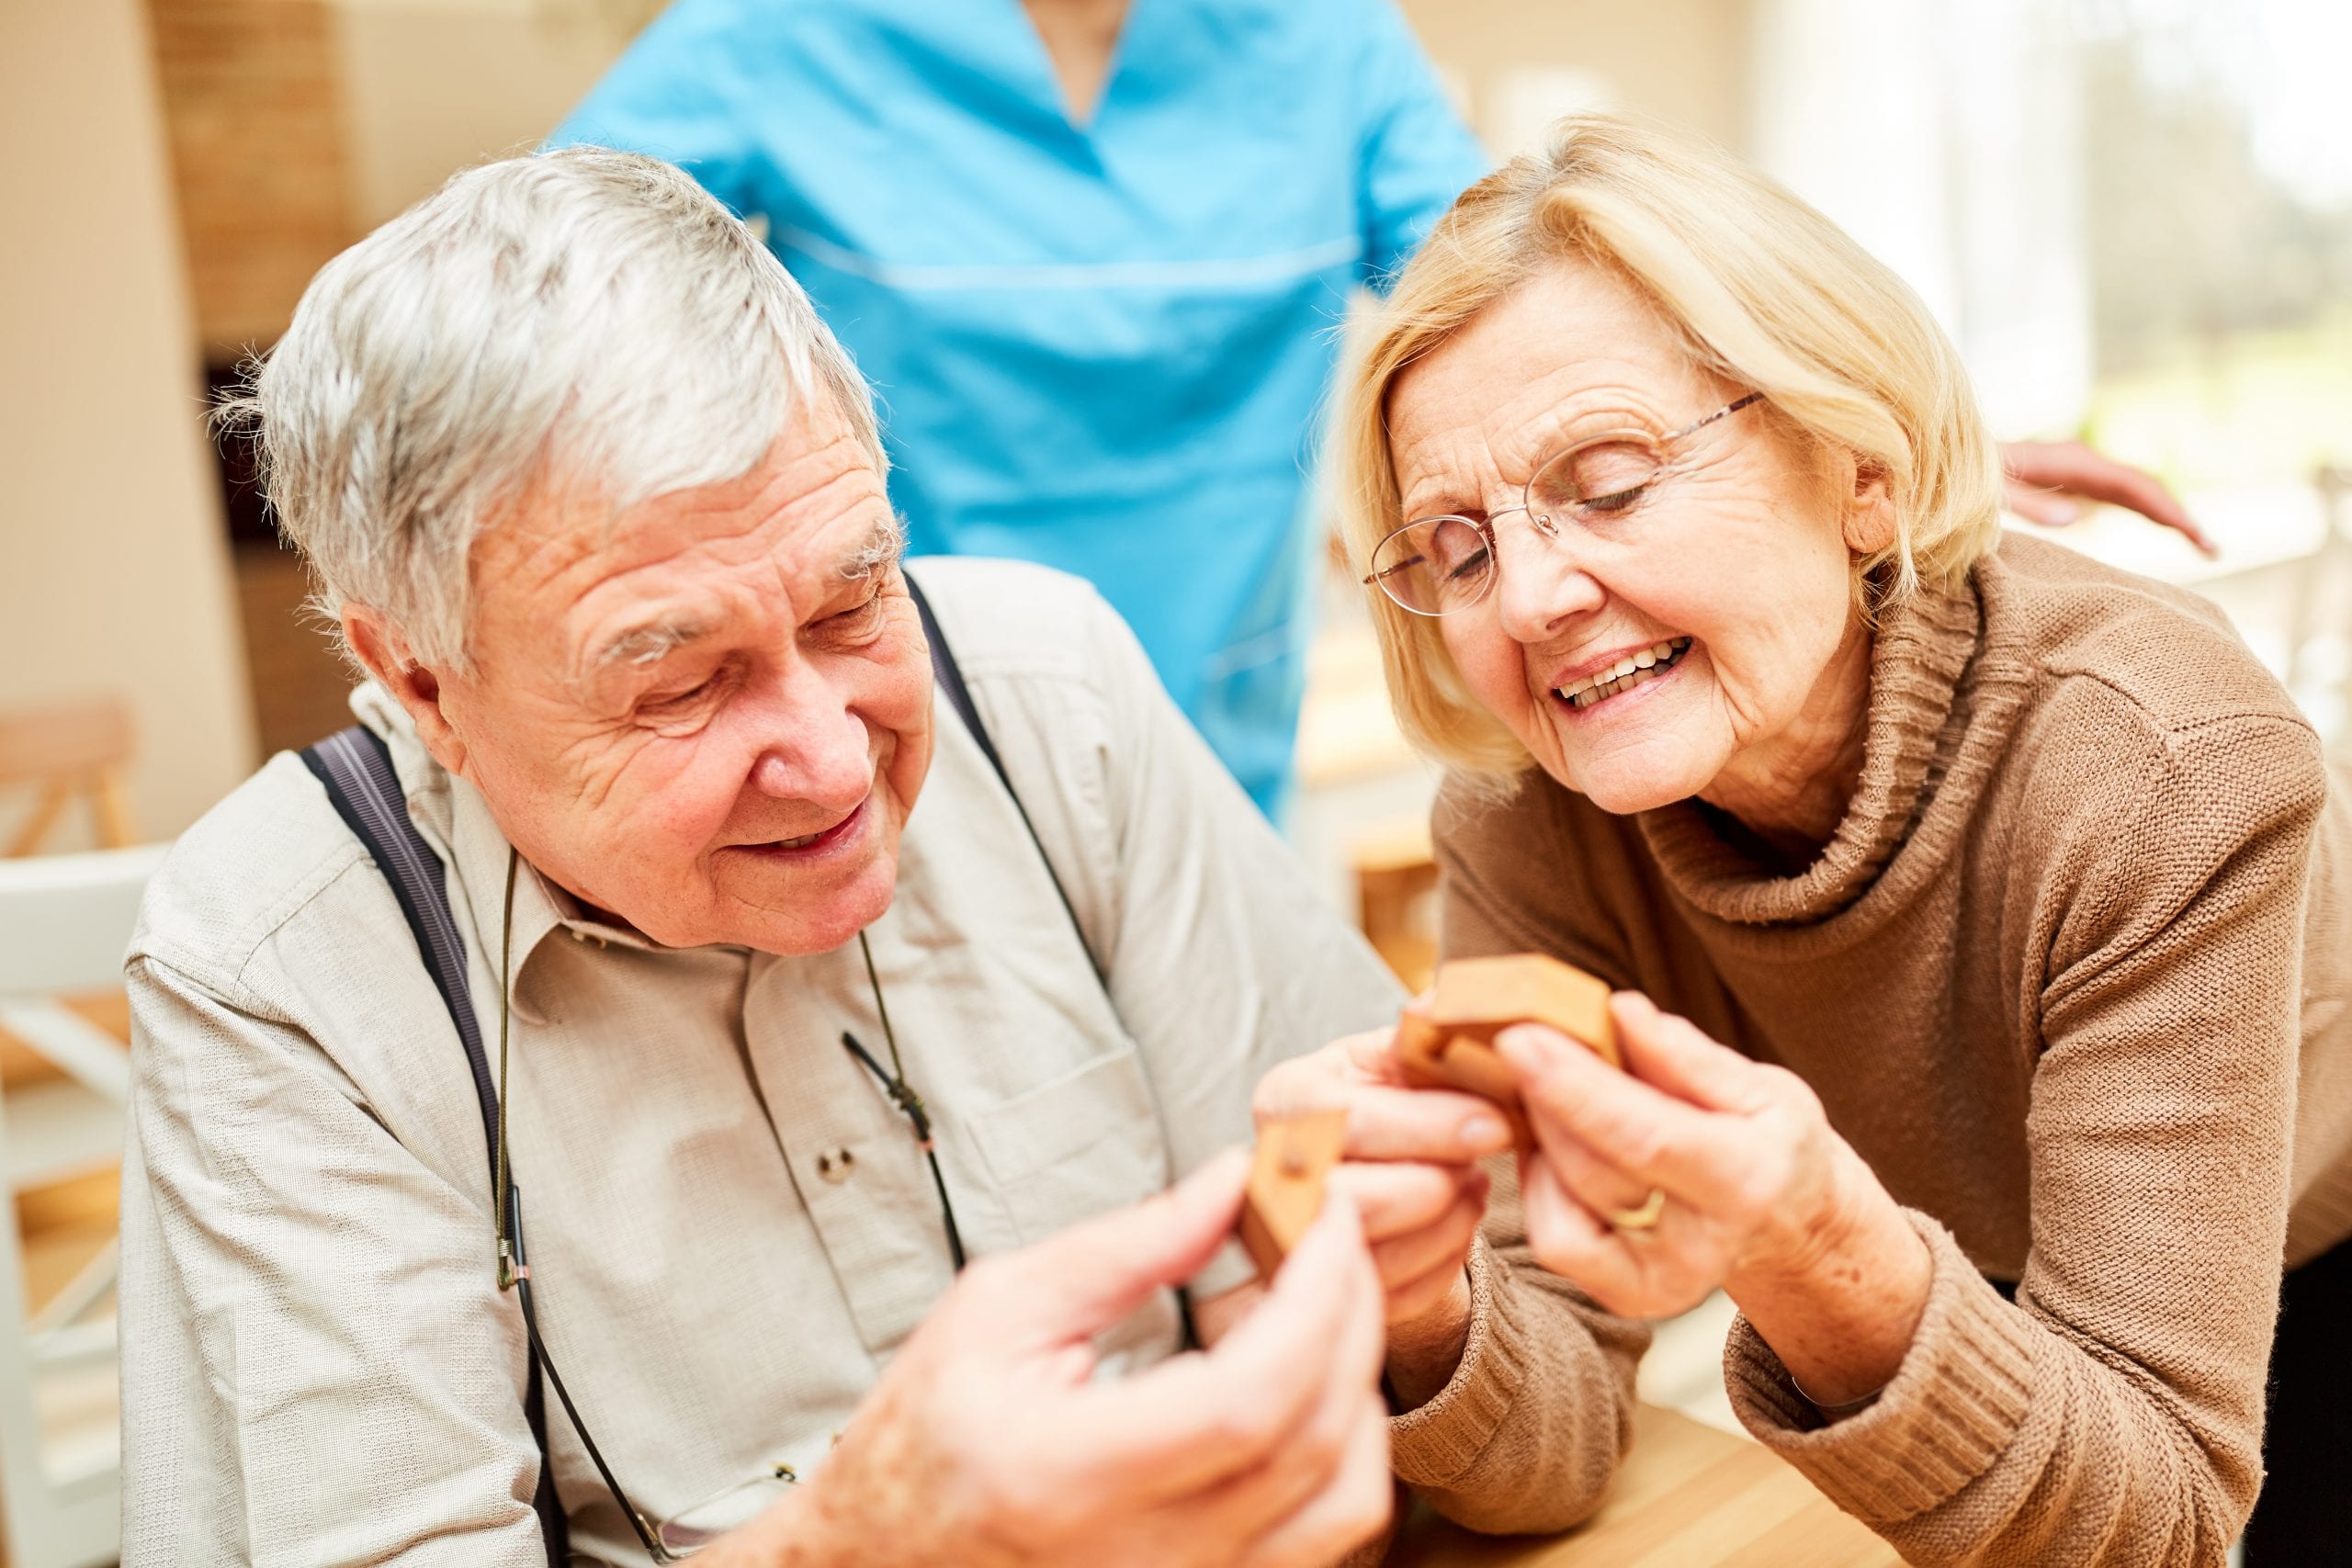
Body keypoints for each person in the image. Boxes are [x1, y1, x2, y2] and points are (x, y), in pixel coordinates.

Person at [116, 149, 1596, 1565]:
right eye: (676, 678)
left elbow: (1547, 1408)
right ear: (425, 682)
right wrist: (868, 1537)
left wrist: (1421, 1315)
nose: (836, 761)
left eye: (851, 603)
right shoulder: (280, 963)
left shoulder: (1045, 693)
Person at [1302, 114, 2350, 1564]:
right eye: (1462, 548)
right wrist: (1427, 1305)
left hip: (2311, 1222)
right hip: (1953, 1240)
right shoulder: (1527, 816)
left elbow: (2158, 1522)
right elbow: (1550, 1443)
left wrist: (1807, 1253)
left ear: (1860, 465)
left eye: (1607, 481)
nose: (1531, 597)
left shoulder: (2163, 768)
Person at [546, 0, 1489, 818]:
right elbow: (538, 284)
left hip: (1220, 717)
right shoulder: (782, 31)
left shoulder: (1325, 37)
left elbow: (1498, 293)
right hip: (892, 725)